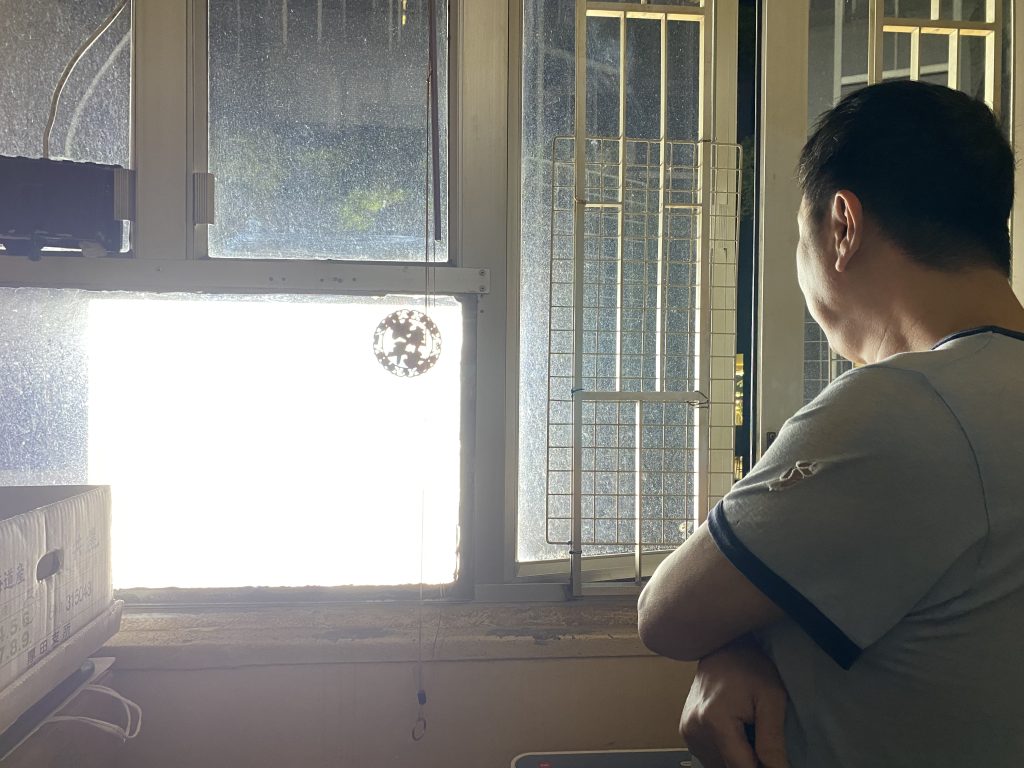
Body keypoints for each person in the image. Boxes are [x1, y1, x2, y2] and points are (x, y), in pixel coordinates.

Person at [637, 80, 1024, 768]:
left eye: (799, 236)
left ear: (843, 225)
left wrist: (730, 642)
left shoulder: (905, 407)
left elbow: (668, 614)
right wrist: (742, 640)